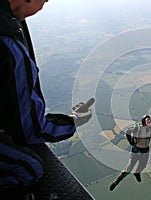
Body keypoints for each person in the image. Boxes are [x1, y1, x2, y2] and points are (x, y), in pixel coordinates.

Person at [0, 0, 94, 198]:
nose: (43, 6)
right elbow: (31, 130)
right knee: (28, 168)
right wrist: (75, 120)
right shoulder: (9, 47)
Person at [109, 104, 151, 191]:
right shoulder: (138, 128)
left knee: (143, 165)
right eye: (147, 120)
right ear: (143, 121)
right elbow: (127, 132)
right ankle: (116, 181)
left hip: (145, 150)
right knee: (129, 168)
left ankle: (137, 173)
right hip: (136, 150)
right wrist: (131, 141)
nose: (149, 121)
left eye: (149, 120)